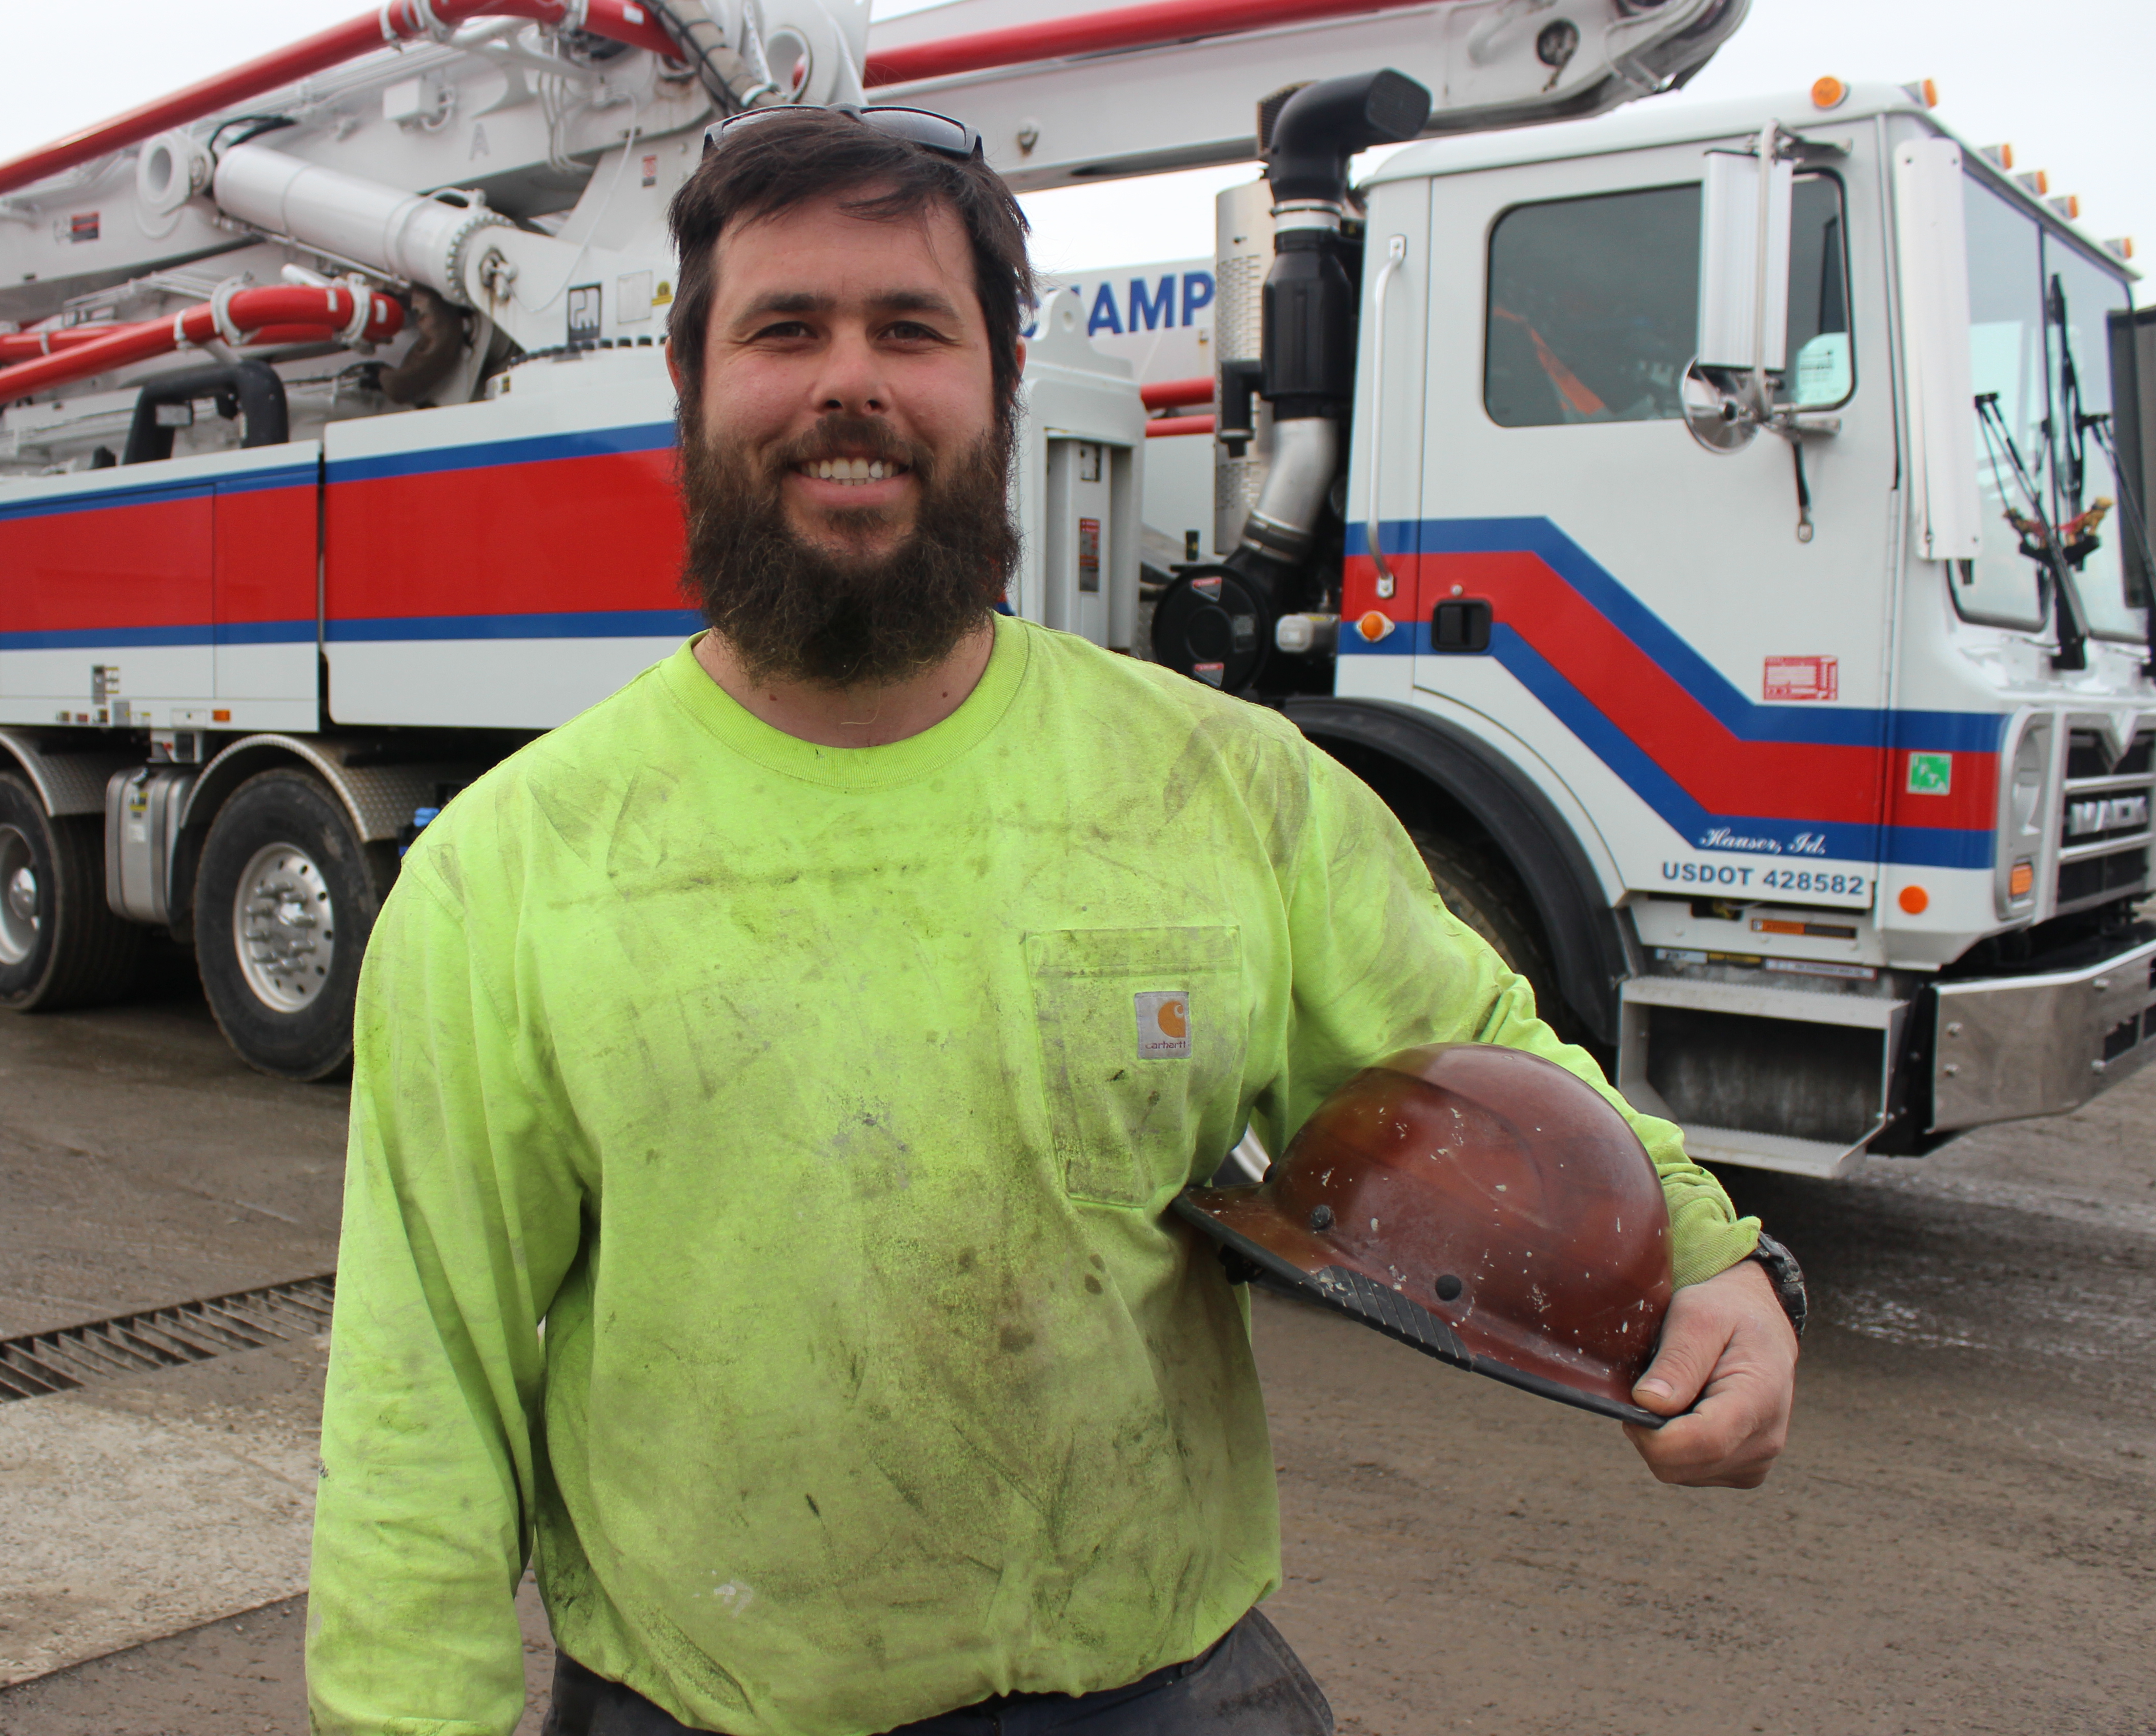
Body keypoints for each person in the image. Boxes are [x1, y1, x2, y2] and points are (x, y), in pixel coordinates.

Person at [305, 105, 1799, 1736]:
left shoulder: (1222, 786)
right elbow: (422, 1374)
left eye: (911, 329)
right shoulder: (517, 868)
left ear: (1002, 387)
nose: (848, 383)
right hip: (716, 1702)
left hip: (1163, 1683)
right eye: (784, 329)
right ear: (691, 389)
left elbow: (1469, 1058)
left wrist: (1709, 1251)